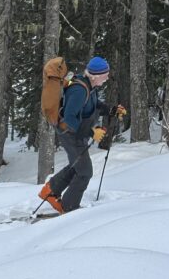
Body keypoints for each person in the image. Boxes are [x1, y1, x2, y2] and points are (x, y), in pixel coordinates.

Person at [38, 56, 126, 214]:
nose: (107, 78)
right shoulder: (79, 90)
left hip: (76, 133)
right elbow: (70, 117)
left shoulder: (89, 86)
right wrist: (92, 132)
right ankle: (68, 208)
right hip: (70, 134)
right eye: (105, 75)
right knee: (85, 171)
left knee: (77, 165)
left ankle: (50, 190)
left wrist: (112, 110)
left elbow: (94, 105)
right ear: (96, 75)